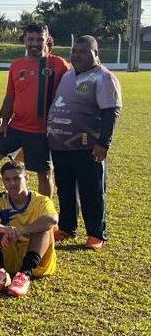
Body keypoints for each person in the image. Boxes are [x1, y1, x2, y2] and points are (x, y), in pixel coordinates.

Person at [0, 23, 69, 201]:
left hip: (42, 131)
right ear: (24, 40)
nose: (35, 43)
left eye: (39, 39)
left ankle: (43, 210)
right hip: (16, 127)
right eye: (31, 39)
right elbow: (10, 96)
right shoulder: (17, 65)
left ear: (47, 40)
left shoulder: (58, 64)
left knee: (44, 173)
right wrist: (4, 122)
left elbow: (70, 93)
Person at [47, 35, 122, 250]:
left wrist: (103, 143)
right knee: (65, 188)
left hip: (87, 146)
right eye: (74, 51)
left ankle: (96, 233)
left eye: (83, 51)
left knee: (92, 190)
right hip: (60, 145)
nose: (76, 55)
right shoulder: (68, 75)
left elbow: (111, 112)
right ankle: (67, 227)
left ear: (96, 54)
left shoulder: (104, 77)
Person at [0, 161, 58, 298]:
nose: (12, 183)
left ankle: (25, 275)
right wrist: (1, 228)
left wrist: (20, 231)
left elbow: (52, 219)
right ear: (3, 181)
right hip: (9, 258)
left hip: (37, 263)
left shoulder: (41, 201)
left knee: (44, 227)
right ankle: (0, 271)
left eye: (16, 178)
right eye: (7, 179)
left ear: (26, 178)